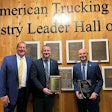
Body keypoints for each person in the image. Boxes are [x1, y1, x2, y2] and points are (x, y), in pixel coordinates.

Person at [0, 42, 33, 112]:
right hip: (9, 94)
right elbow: (2, 78)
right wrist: (3, 95)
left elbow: (31, 78)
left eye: (24, 47)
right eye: (20, 47)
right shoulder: (7, 60)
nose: (22, 49)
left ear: (26, 49)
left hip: (24, 93)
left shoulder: (30, 61)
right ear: (17, 48)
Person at [30, 45, 59, 112]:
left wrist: (56, 88)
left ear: (50, 52)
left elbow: (57, 76)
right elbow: (33, 78)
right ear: (41, 52)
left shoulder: (54, 63)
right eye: (44, 50)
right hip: (38, 95)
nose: (46, 52)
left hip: (50, 95)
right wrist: (42, 89)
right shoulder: (35, 63)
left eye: (48, 50)